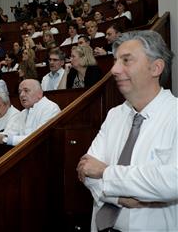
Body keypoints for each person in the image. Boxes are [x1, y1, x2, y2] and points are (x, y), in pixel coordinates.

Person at [76, 30, 177, 231]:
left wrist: (105, 171)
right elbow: (86, 170)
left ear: (156, 67)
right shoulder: (115, 114)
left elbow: (172, 181)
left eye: (126, 60)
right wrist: (120, 197)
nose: (114, 69)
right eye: (115, 61)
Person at [0, 79, 61, 146]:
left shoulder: (50, 108)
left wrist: (4, 139)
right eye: (20, 92)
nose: (22, 95)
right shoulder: (23, 113)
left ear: (39, 94)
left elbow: (37, 137)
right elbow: (10, 133)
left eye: (26, 91)